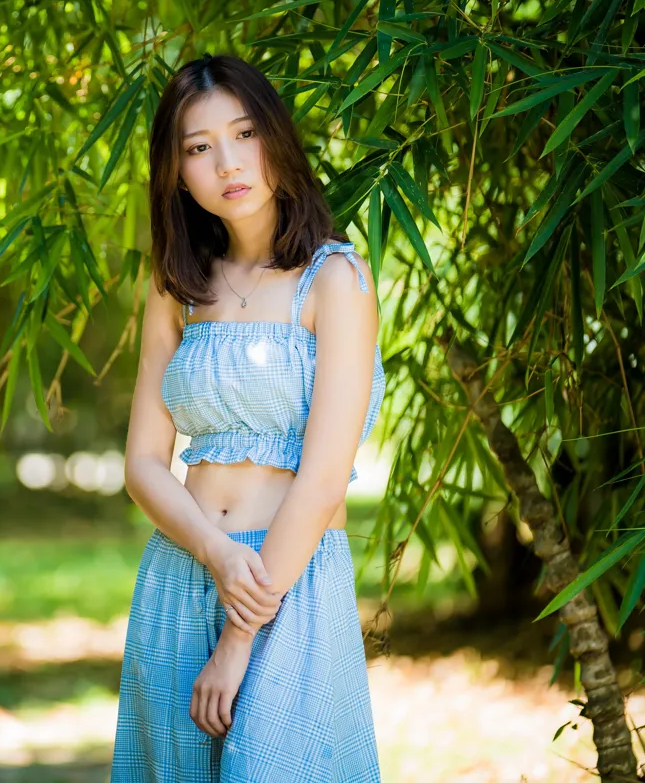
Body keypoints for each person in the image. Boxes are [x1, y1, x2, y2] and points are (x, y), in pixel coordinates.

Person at [111, 53, 385, 782]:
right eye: (198, 148)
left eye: (243, 135)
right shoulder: (177, 289)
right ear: (175, 172)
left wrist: (238, 635)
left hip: (287, 585)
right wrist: (216, 554)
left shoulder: (335, 279)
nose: (226, 162)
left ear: (276, 140)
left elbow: (325, 479)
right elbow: (141, 462)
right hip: (184, 569)